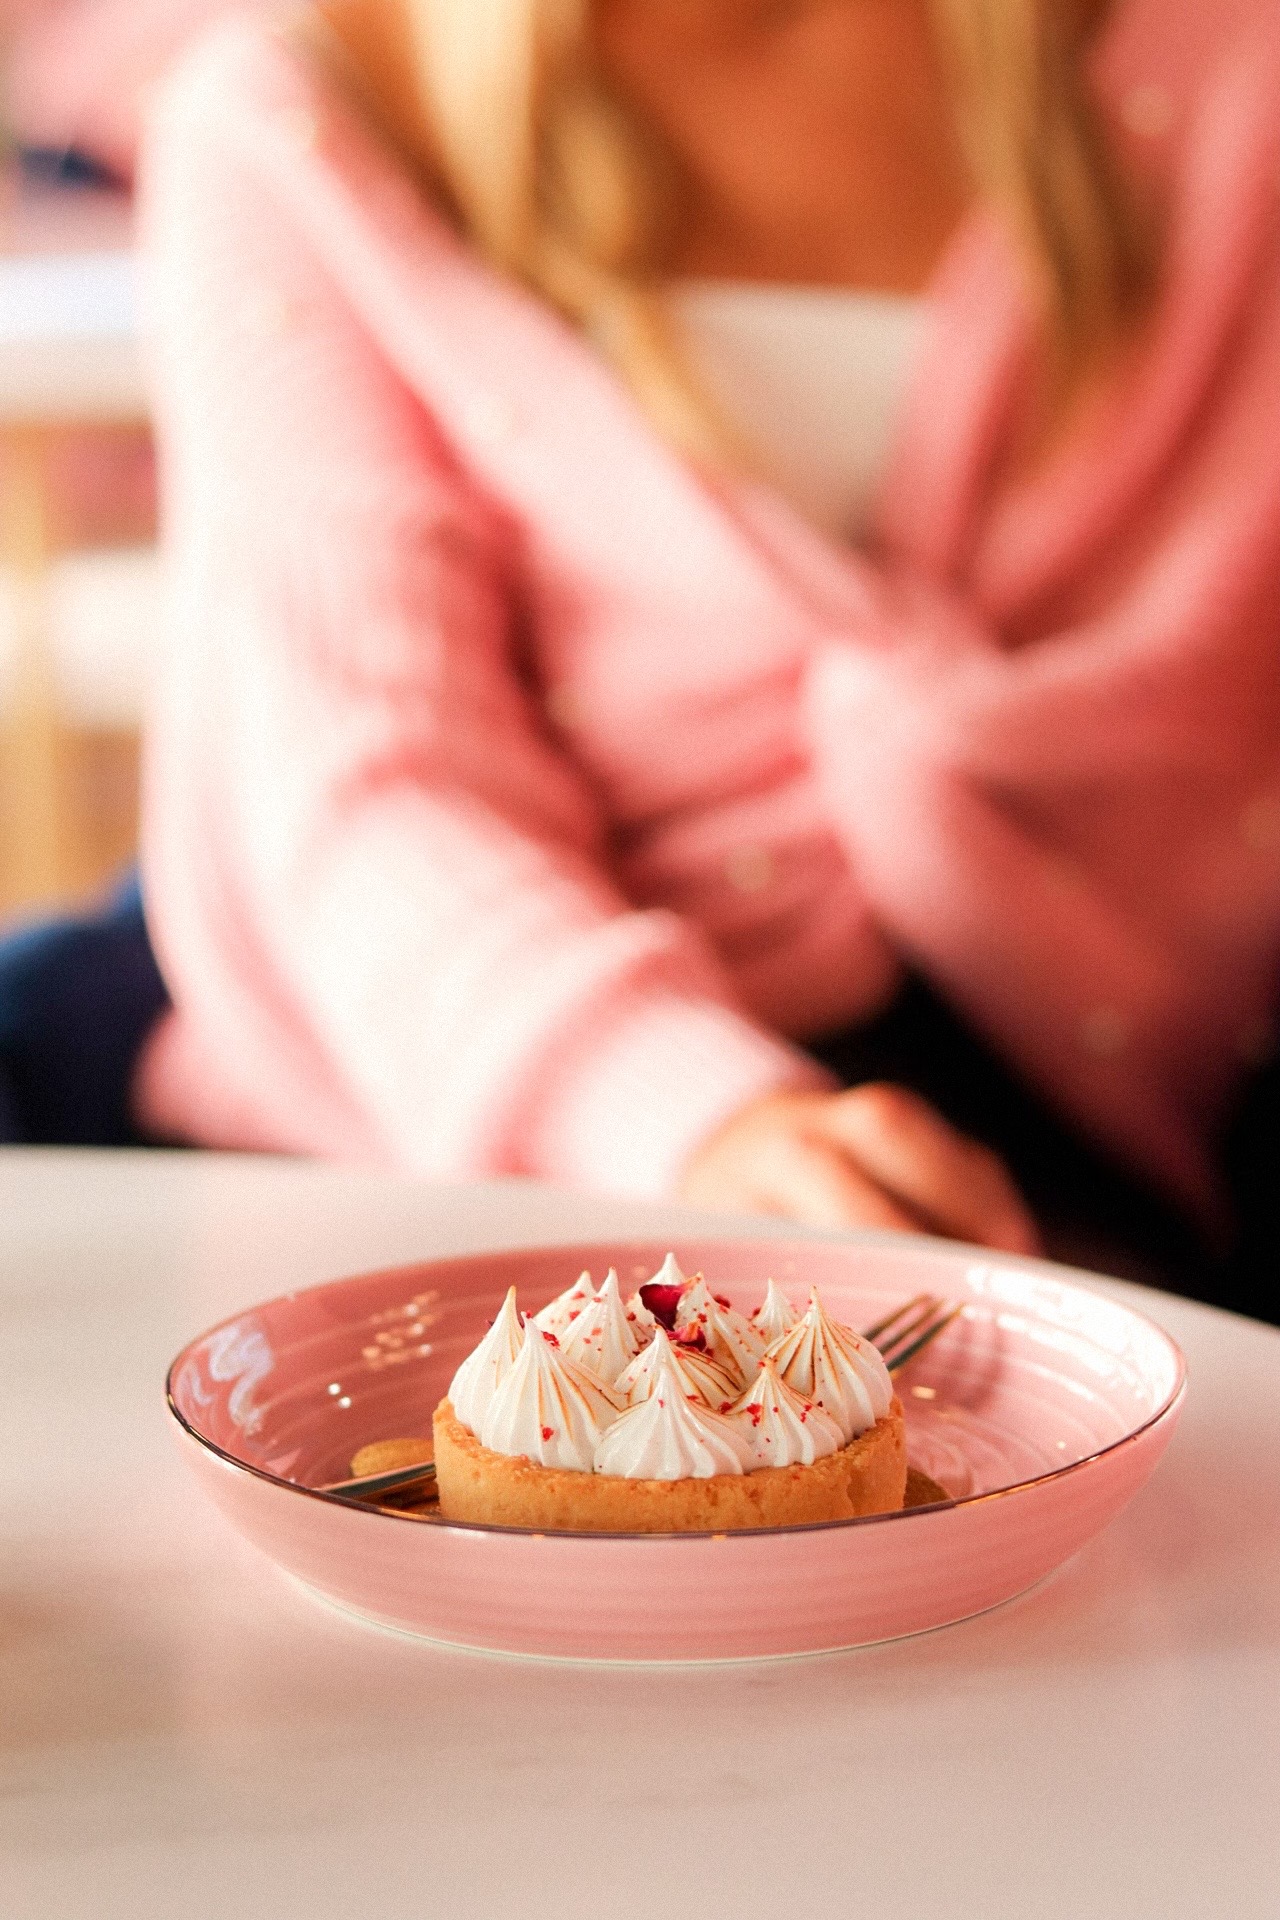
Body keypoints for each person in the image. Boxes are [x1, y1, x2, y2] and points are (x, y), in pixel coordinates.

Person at [132, 0, 1280, 1317]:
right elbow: (372, 792)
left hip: (1139, 1123)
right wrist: (690, 1120)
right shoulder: (299, 119)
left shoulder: (1218, 58)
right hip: (520, 1127)